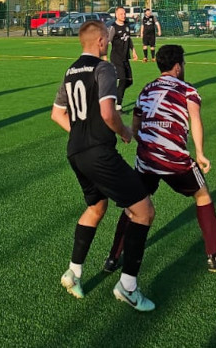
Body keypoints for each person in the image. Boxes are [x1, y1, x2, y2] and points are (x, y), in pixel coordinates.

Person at [52, 21, 157, 311]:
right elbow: (108, 112)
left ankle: (73, 273)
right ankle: (128, 287)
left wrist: (80, 137)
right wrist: (124, 132)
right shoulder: (105, 68)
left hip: (75, 152)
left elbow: (56, 114)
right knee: (144, 211)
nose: (109, 43)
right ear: (100, 41)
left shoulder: (70, 71)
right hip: (99, 153)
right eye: (107, 40)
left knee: (96, 207)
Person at [103, 44, 216, 273]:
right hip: (175, 159)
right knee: (202, 196)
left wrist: (145, 145)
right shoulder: (188, 90)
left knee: (134, 207)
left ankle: (113, 258)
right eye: (183, 62)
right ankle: (214, 257)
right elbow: (195, 120)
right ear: (177, 66)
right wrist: (200, 153)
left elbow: (136, 124)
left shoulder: (146, 89)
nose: (183, 66)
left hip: (146, 159)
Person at [109, 7, 138, 112]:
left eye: (124, 13)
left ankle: (114, 96)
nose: (124, 15)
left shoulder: (126, 25)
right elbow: (108, 41)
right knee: (122, 80)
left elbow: (129, 39)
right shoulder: (113, 28)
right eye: (121, 14)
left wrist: (133, 50)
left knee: (129, 81)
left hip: (125, 57)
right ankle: (118, 107)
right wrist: (103, 56)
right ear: (116, 15)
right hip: (116, 58)